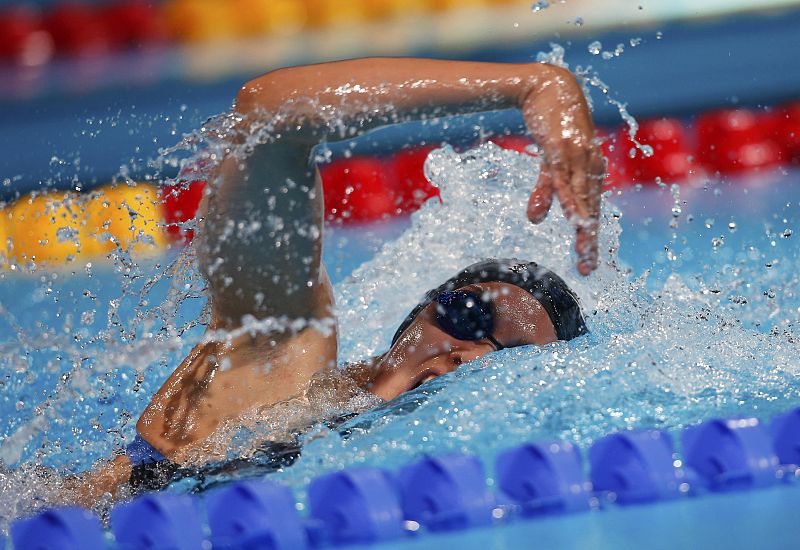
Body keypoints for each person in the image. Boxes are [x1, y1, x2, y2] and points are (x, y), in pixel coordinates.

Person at [69, 57, 604, 505]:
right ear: (418, 313)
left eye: (512, 356)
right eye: (468, 317)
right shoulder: (283, 365)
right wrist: (532, 84)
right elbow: (267, 116)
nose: (473, 355)